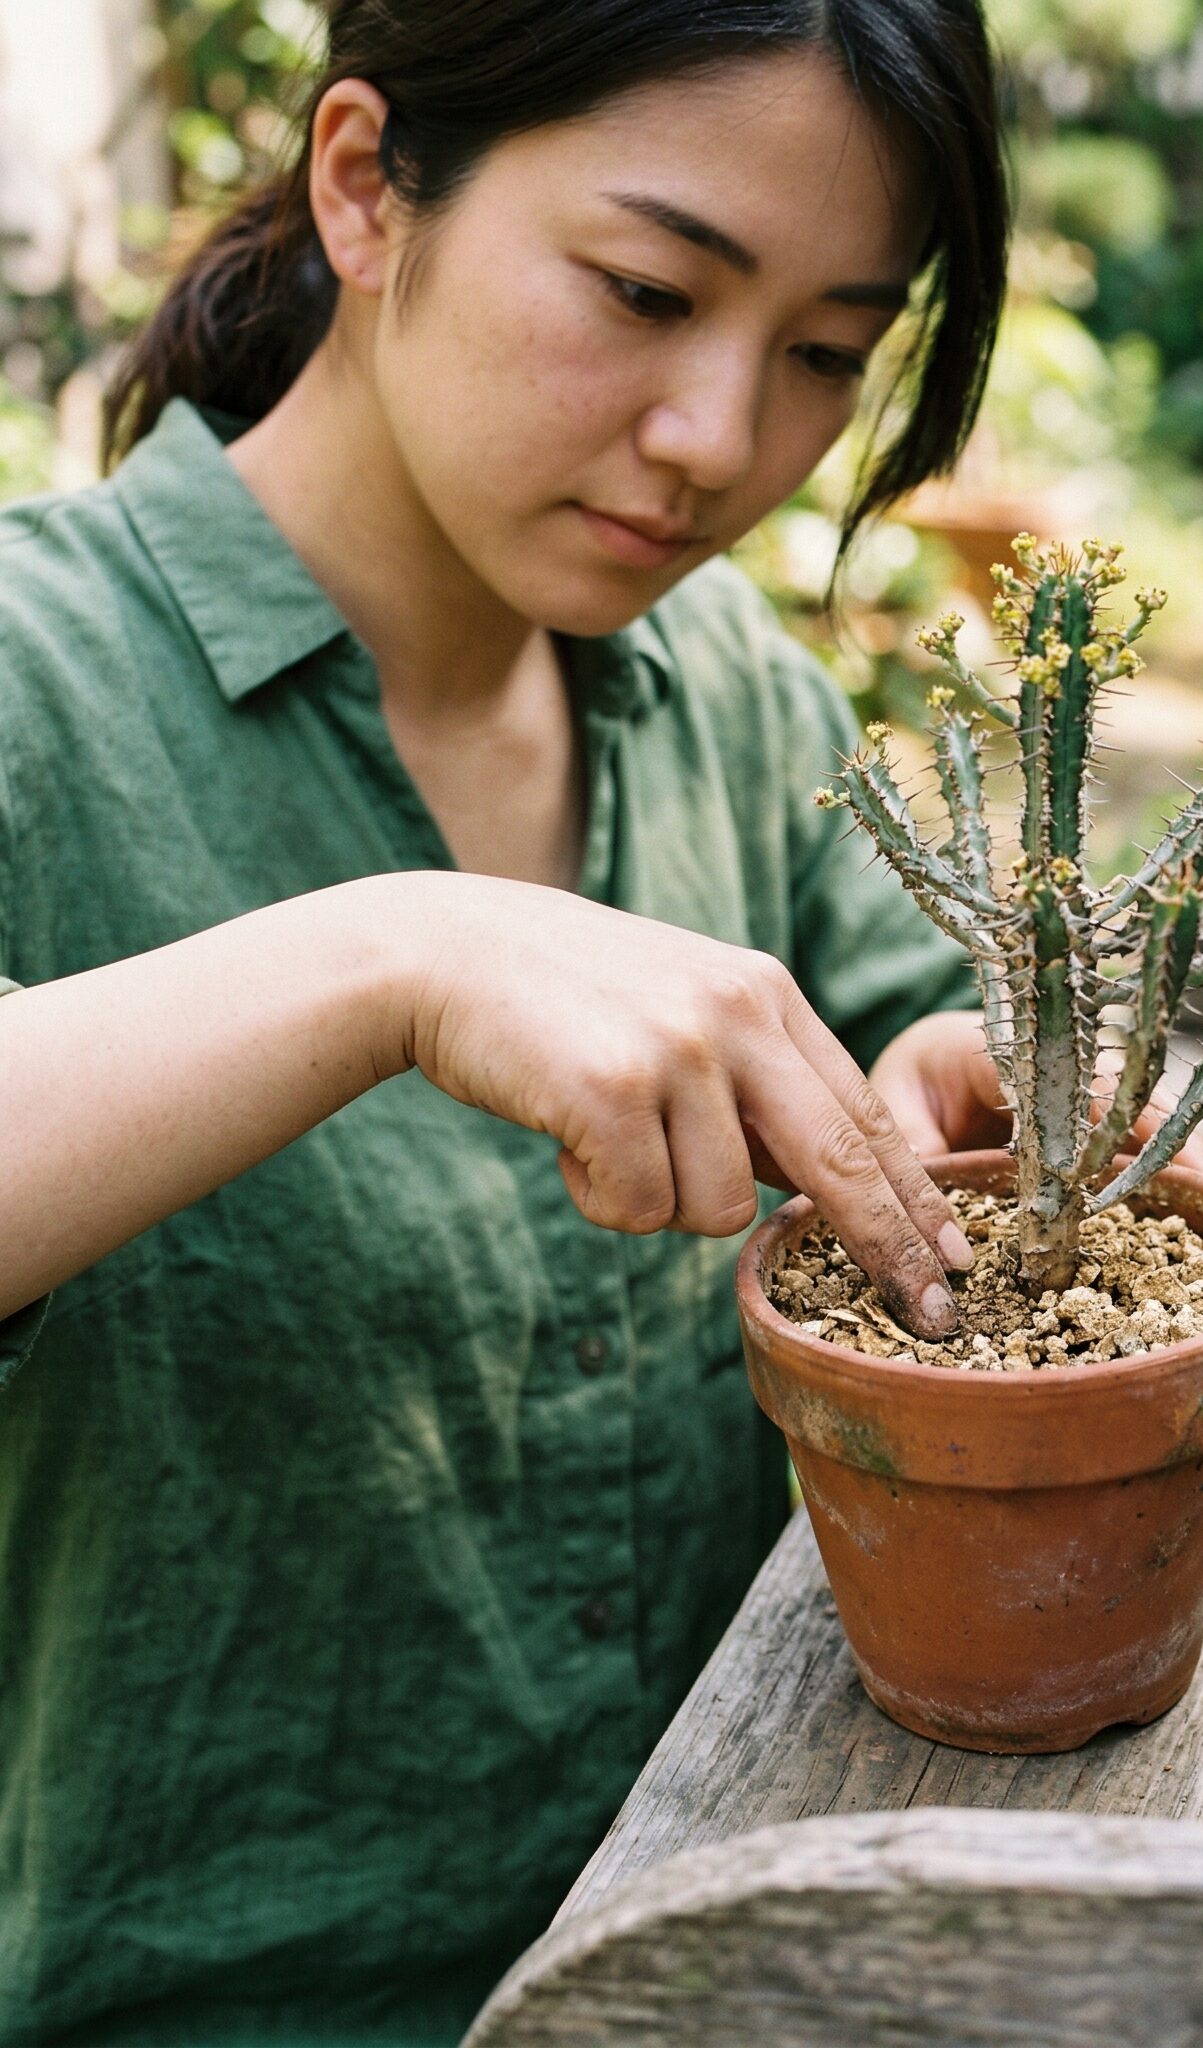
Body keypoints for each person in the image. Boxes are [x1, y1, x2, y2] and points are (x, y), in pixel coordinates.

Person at [0, 4, 1019, 2038]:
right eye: (647, 292)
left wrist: (951, 1085)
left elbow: (909, 1016)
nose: (721, 439)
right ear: (368, 184)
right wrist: (388, 957)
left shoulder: (721, 684)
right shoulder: (44, 688)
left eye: (828, 351)